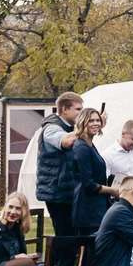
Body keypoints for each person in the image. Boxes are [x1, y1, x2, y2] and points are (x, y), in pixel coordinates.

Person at [34, 91, 85, 236]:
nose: (81, 114)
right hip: (57, 194)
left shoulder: (71, 128)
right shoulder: (51, 128)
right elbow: (66, 141)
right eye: (78, 109)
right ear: (64, 109)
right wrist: (86, 126)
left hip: (69, 192)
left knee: (74, 235)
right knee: (65, 236)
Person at [66, 107, 110, 239]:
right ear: (82, 122)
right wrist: (113, 190)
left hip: (97, 207)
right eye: (91, 121)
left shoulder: (90, 145)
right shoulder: (81, 148)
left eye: (98, 120)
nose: (95, 123)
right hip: (87, 209)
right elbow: (88, 184)